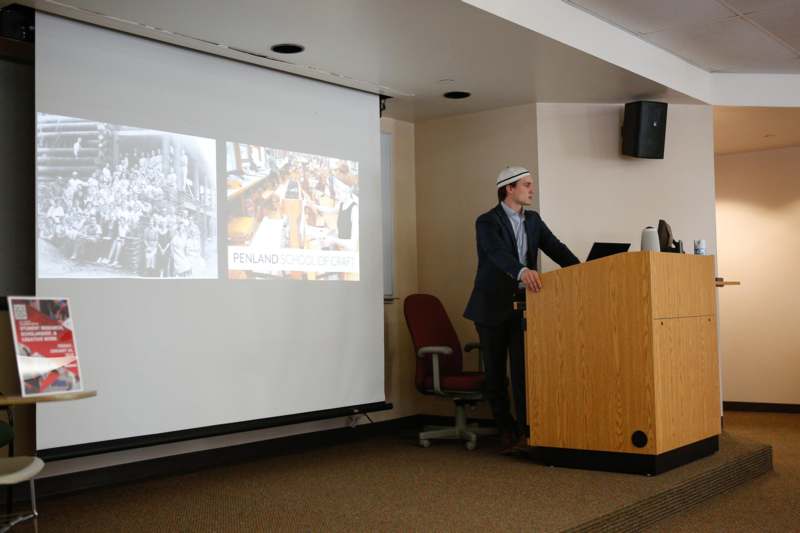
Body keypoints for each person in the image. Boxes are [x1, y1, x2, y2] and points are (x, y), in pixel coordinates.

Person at [464, 166, 579, 454]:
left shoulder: (534, 220)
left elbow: (557, 248)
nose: (532, 189)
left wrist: (583, 272)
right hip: (490, 308)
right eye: (527, 185)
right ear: (509, 189)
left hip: (524, 308)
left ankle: (528, 431)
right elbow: (496, 254)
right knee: (496, 374)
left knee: (524, 372)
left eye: (531, 185)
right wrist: (521, 270)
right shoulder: (487, 222)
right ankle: (506, 430)